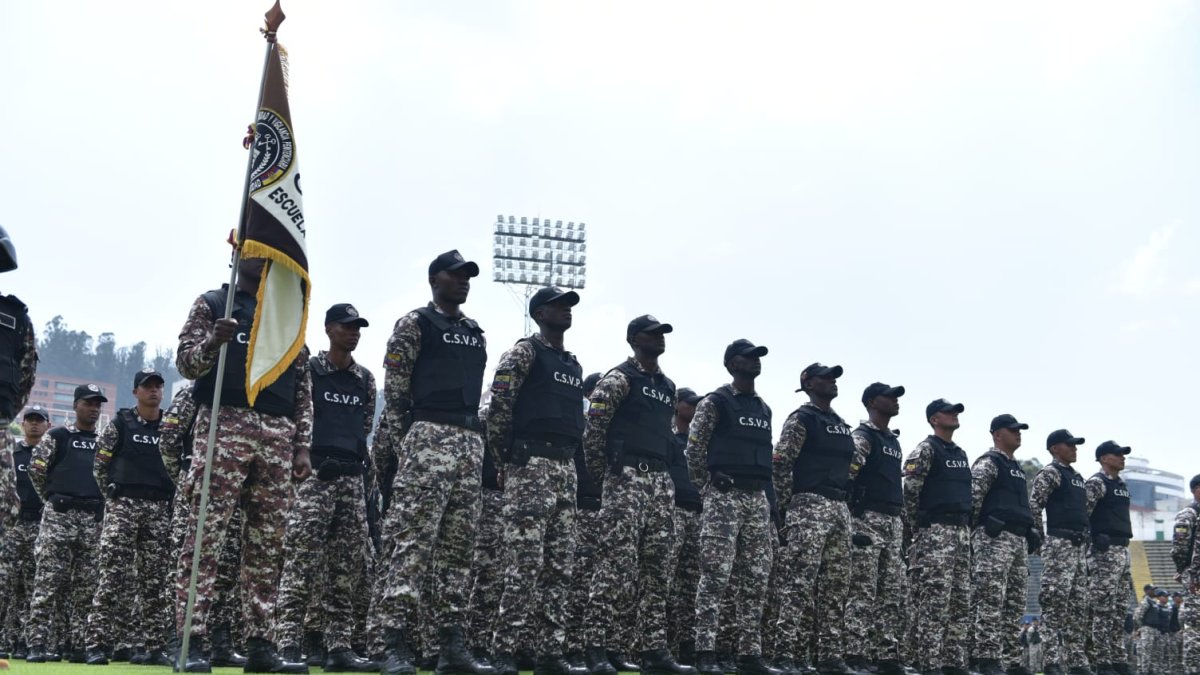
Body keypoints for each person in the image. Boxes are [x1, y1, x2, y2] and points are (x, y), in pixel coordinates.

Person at [174, 257, 313, 673]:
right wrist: (213, 342)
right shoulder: (214, 303)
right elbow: (186, 365)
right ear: (240, 254)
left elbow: (302, 383)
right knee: (205, 537)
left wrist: (303, 445)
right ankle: (191, 640)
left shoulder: (286, 314)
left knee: (269, 545)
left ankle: (260, 643)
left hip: (277, 432)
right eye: (256, 249)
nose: (264, 257)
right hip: (225, 424)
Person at [375, 250, 492, 675]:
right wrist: (407, 441)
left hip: (467, 440)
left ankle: (449, 646)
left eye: (467, 277)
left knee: (458, 551)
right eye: (455, 275)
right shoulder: (415, 324)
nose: (463, 282)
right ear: (434, 279)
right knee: (412, 543)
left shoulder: (474, 331)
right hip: (427, 437)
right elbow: (396, 390)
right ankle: (393, 643)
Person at [581, 315, 694, 675]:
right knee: (614, 567)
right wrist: (606, 478)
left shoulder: (667, 386)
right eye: (651, 333)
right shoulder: (618, 379)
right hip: (625, 478)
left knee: (656, 571)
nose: (659, 339)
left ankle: (651, 649)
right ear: (633, 339)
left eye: (662, 334)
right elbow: (594, 431)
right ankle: (596, 647)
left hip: (660, 483)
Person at [484, 287, 586, 675]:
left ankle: (549, 652)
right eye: (559, 306)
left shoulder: (572, 363)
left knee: (560, 566)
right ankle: (504, 650)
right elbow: (500, 409)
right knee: (524, 564)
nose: (566, 311)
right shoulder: (524, 352)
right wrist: (506, 460)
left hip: (564, 468)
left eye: (569, 306)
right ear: (540, 313)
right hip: (531, 465)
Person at [274, 303, 377, 672]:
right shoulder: (311, 372)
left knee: (345, 570)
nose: (355, 333)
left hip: (350, 480)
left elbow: (364, 425)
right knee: (301, 564)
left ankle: (339, 647)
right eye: (347, 327)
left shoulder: (364, 379)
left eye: (358, 327)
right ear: (329, 329)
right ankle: (287, 643)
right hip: (315, 479)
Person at [686, 340, 778, 675]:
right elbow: (694, 448)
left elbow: (767, 459)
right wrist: (707, 486)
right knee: (715, 575)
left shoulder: (764, 408)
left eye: (758, 357)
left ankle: (748, 654)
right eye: (748, 357)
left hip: (756, 500)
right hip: (724, 497)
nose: (755, 362)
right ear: (730, 364)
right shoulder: (716, 402)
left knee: (755, 579)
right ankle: (706, 651)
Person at [772, 363, 861, 675]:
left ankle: (828, 656)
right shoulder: (802, 419)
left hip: (838, 507)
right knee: (798, 583)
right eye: (825, 377)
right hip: (808, 503)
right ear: (808, 383)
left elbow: (851, 470)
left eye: (835, 378)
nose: (832, 382)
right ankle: (785, 654)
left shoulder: (840, 423)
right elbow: (781, 465)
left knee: (836, 586)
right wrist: (786, 509)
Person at [83, 369, 175, 666]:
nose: (154, 391)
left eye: (158, 386)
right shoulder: (120, 424)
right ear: (135, 391)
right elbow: (100, 466)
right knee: (111, 576)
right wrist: (113, 498)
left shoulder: (171, 427)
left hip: (158, 508)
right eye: (147, 386)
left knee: (154, 583)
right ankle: (96, 644)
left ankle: (153, 647)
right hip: (123, 506)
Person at [25, 384, 107, 663]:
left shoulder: (104, 441)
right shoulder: (58, 435)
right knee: (48, 582)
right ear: (76, 405)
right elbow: (37, 472)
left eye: (98, 404)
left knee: (86, 586)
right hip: (59, 516)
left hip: (91, 519)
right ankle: (37, 643)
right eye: (88, 403)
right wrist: (52, 499)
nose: (94, 408)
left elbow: (106, 476)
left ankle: (78, 645)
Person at [903, 399, 972, 675]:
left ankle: (953, 662)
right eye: (948, 412)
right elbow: (911, 490)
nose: (954, 415)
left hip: (961, 534)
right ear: (934, 419)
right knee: (934, 600)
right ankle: (927, 662)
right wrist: (918, 526)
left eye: (956, 411)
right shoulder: (926, 449)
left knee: (959, 600)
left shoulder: (960, 453)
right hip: (935, 532)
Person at [845, 383, 907, 675]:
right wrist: (851, 522)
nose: (895, 401)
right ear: (872, 401)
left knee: (890, 594)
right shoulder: (863, 437)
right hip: (867, 518)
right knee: (862, 590)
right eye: (889, 396)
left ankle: (885, 656)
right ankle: (855, 654)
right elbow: (847, 478)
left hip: (892, 521)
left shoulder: (892, 441)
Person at [969, 414, 1037, 675]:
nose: (1018, 434)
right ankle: (985, 656)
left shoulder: (1017, 468)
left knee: (1014, 602)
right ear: (997, 434)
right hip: (994, 539)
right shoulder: (989, 463)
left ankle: (1010, 659)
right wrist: (981, 529)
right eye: (1013, 430)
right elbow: (973, 499)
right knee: (990, 598)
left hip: (1017, 540)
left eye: (1019, 430)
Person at [1029, 429, 1093, 675]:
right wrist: (1041, 539)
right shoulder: (1051, 473)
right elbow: (1035, 504)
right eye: (1070, 445)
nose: (1075, 448)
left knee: (1078, 606)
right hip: (1059, 544)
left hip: (1078, 547)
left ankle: (1076, 660)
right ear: (1055, 448)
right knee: (1055, 604)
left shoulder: (1076, 476)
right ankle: (1051, 661)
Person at [0, 405, 50, 658]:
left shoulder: (51, 455)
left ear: (47, 426)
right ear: (23, 422)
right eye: (29, 420)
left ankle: (23, 641)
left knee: (31, 587)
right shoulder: (12, 453)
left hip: (41, 525)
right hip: (13, 527)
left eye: (39, 421)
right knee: (5, 583)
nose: (33, 424)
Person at [1085, 441, 1134, 675]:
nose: (1122, 458)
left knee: (1119, 609)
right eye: (1117, 454)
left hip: (1122, 551)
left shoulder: (1121, 485)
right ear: (1104, 458)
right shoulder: (1096, 483)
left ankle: (1118, 658)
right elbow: (1083, 515)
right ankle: (1102, 659)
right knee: (1102, 608)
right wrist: (1094, 539)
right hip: (1104, 551)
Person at [565, 372, 603, 669]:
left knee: (596, 583)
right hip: (579, 510)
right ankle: (570, 647)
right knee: (576, 582)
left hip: (603, 511)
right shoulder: (577, 424)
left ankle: (588, 646)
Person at [668, 388, 704, 666]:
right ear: (677, 405)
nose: (694, 408)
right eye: (690, 404)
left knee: (691, 587)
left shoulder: (702, 443)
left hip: (697, 515)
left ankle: (686, 646)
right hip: (672, 512)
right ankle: (659, 645)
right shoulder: (667, 437)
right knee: (664, 580)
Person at [1171, 474, 1200, 675]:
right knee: (1196, 629)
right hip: (1196, 578)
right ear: (1195, 490)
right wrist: (1183, 570)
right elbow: (1179, 546)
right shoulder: (1188, 514)